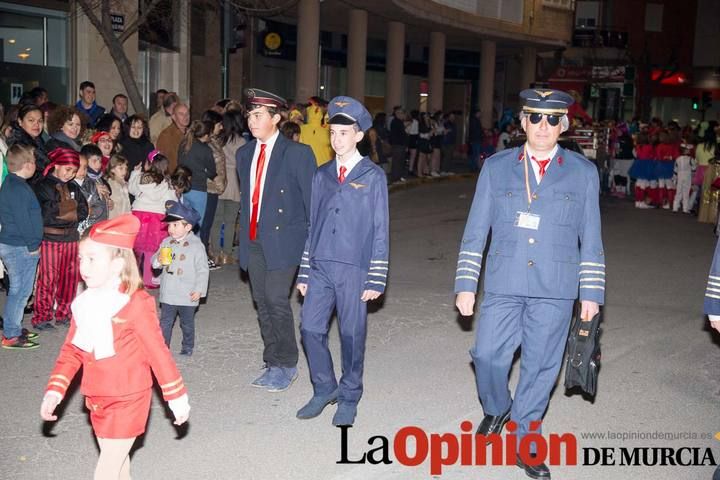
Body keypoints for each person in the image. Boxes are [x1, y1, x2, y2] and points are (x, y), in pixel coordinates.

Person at [454, 89, 604, 480]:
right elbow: (475, 231)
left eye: (553, 119)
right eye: (535, 118)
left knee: (540, 367)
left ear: (564, 126)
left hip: (555, 286)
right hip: (505, 281)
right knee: (486, 355)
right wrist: (466, 283)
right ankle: (498, 405)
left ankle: (526, 440)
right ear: (521, 123)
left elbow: (592, 238)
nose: (543, 126)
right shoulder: (497, 167)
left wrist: (591, 294)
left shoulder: (583, 172)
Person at [40, 214, 190, 480]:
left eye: (93, 259)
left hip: (129, 398)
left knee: (106, 470)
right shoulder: (84, 302)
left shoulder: (135, 303)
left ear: (117, 263)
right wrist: (55, 389)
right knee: (119, 466)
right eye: (81, 258)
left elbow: (158, 354)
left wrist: (176, 398)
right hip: (97, 399)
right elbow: (72, 351)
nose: (83, 266)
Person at [295, 96, 389, 426]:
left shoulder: (373, 175)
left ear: (359, 135)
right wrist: (305, 271)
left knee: (351, 335)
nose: (337, 139)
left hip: (354, 267)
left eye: (344, 133)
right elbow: (313, 223)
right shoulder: (321, 175)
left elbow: (381, 227)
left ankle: (349, 395)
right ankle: (325, 387)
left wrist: (376, 276)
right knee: (309, 328)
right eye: (333, 132)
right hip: (321, 264)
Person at [236, 88, 316, 392]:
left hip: (286, 241)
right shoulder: (245, 154)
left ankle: (287, 362)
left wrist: (312, 251)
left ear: (276, 118)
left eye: (258, 115)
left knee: (275, 299)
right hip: (254, 239)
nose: (251, 120)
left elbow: (311, 205)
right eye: (249, 115)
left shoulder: (297, 154)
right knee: (261, 302)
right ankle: (272, 360)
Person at [32, 147, 89, 330]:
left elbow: (83, 210)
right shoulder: (42, 186)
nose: (70, 174)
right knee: (48, 279)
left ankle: (64, 313)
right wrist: (69, 209)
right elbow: (47, 213)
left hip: (71, 238)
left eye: (74, 171)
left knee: (69, 278)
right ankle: (42, 316)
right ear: (56, 165)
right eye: (67, 169)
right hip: (51, 238)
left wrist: (65, 210)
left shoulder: (74, 187)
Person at [152, 201, 209, 356]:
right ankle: (163, 348)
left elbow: (203, 270)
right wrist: (158, 261)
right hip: (169, 291)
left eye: (175, 225)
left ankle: (187, 345)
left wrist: (199, 290)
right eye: (169, 225)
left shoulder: (196, 246)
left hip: (187, 293)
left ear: (188, 227)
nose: (170, 229)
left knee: (187, 323)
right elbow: (155, 261)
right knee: (165, 322)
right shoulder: (166, 242)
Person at [0, 145, 43, 349]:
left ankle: (13, 327)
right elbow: (23, 220)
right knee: (20, 291)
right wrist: (33, 244)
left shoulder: (14, 183)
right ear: (27, 165)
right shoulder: (16, 187)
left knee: (21, 290)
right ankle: (11, 334)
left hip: (18, 244)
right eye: (34, 161)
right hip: (20, 246)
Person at [129, 150, 176, 288]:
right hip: (156, 216)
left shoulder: (141, 178)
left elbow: (131, 189)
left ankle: (133, 278)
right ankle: (150, 278)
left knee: (137, 248)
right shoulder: (166, 183)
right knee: (152, 249)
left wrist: (135, 173)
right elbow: (170, 201)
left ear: (148, 165)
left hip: (139, 214)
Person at [212, 110, 245, 265]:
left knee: (217, 220)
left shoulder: (218, 140)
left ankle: (215, 252)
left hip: (219, 181)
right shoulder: (241, 142)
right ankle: (227, 254)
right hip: (235, 181)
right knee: (231, 221)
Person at [178, 120, 217, 232]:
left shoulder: (184, 144)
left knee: (182, 223)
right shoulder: (206, 150)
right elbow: (212, 171)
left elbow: (179, 163)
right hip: (199, 189)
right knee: (196, 225)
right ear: (205, 135)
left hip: (183, 187)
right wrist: (208, 173)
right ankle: (194, 248)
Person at [199, 110, 227, 268]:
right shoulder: (206, 143)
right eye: (218, 124)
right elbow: (207, 167)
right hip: (208, 188)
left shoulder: (214, 141)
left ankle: (204, 253)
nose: (221, 127)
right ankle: (202, 256)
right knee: (204, 224)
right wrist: (216, 181)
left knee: (208, 224)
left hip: (215, 189)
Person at [7, 104, 49, 184]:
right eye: (31, 120)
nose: (36, 125)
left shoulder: (38, 139)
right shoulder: (19, 144)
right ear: (20, 121)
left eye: (40, 121)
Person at [75, 149, 109, 235]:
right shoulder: (70, 185)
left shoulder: (91, 183)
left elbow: (99, 203)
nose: (83, 171)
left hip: (98, 224)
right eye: (79, 167)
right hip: (82, 228)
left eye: (85, 167)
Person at [157, 103, 190, 172]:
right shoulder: (166, 135)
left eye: (187, 113)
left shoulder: (191, 132)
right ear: (174, 117)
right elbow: (161, 161)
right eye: (181, 114)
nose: (185, 116)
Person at [628, 132, 656, 209]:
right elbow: (653, 156)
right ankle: (641, 202)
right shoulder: (649, 146)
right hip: (647, 165)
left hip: (638, 164)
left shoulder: (638, 146)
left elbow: (636, 155)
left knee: (638, 184)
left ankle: (638, 202)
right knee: (643, 185)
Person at [673, 144, 696, 214]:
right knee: (686, 192)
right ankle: (685, 209)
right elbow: (694, 169)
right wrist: (693, 178)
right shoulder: (691, 159)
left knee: (678, 192)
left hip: (680, 176)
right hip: (688, 176)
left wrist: (674, 180)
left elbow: (675, 170)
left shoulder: (678, 159)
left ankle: (675, 208)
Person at [389, 107, 407, 184]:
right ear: (397, 114)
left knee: (401, 161)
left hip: (400, 144)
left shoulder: (399, 122)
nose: (403, 115)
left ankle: (399, 177)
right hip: (397, 144)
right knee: (397, 161)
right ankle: (395, 178)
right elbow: (398, 134)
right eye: (402, 113)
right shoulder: (395, 122)